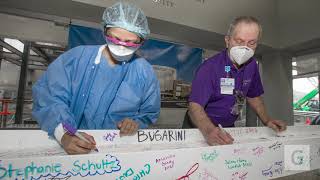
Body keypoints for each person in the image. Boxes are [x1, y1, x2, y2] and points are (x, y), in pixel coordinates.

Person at [32, 2, 160, 154]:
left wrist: (135, 123)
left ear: (142, 41)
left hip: (116, 150)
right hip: (71, 144)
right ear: (104, 31)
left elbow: (149, 113)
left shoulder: (144, 72)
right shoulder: (77, 59)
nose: (121, 46)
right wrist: (64, 133)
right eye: (115, 38)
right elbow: (49, 97)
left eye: (130, 42)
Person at [188, 16, 287, 145]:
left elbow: (253, 96)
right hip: (200, 127)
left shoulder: (252, 66)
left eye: (251, 43)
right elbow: (194, 106)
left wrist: (267, 120)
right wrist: (209, 130)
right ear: (227, 41)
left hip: (228, 126)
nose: (245, 48)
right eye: (239, 41)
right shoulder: (210, 68)